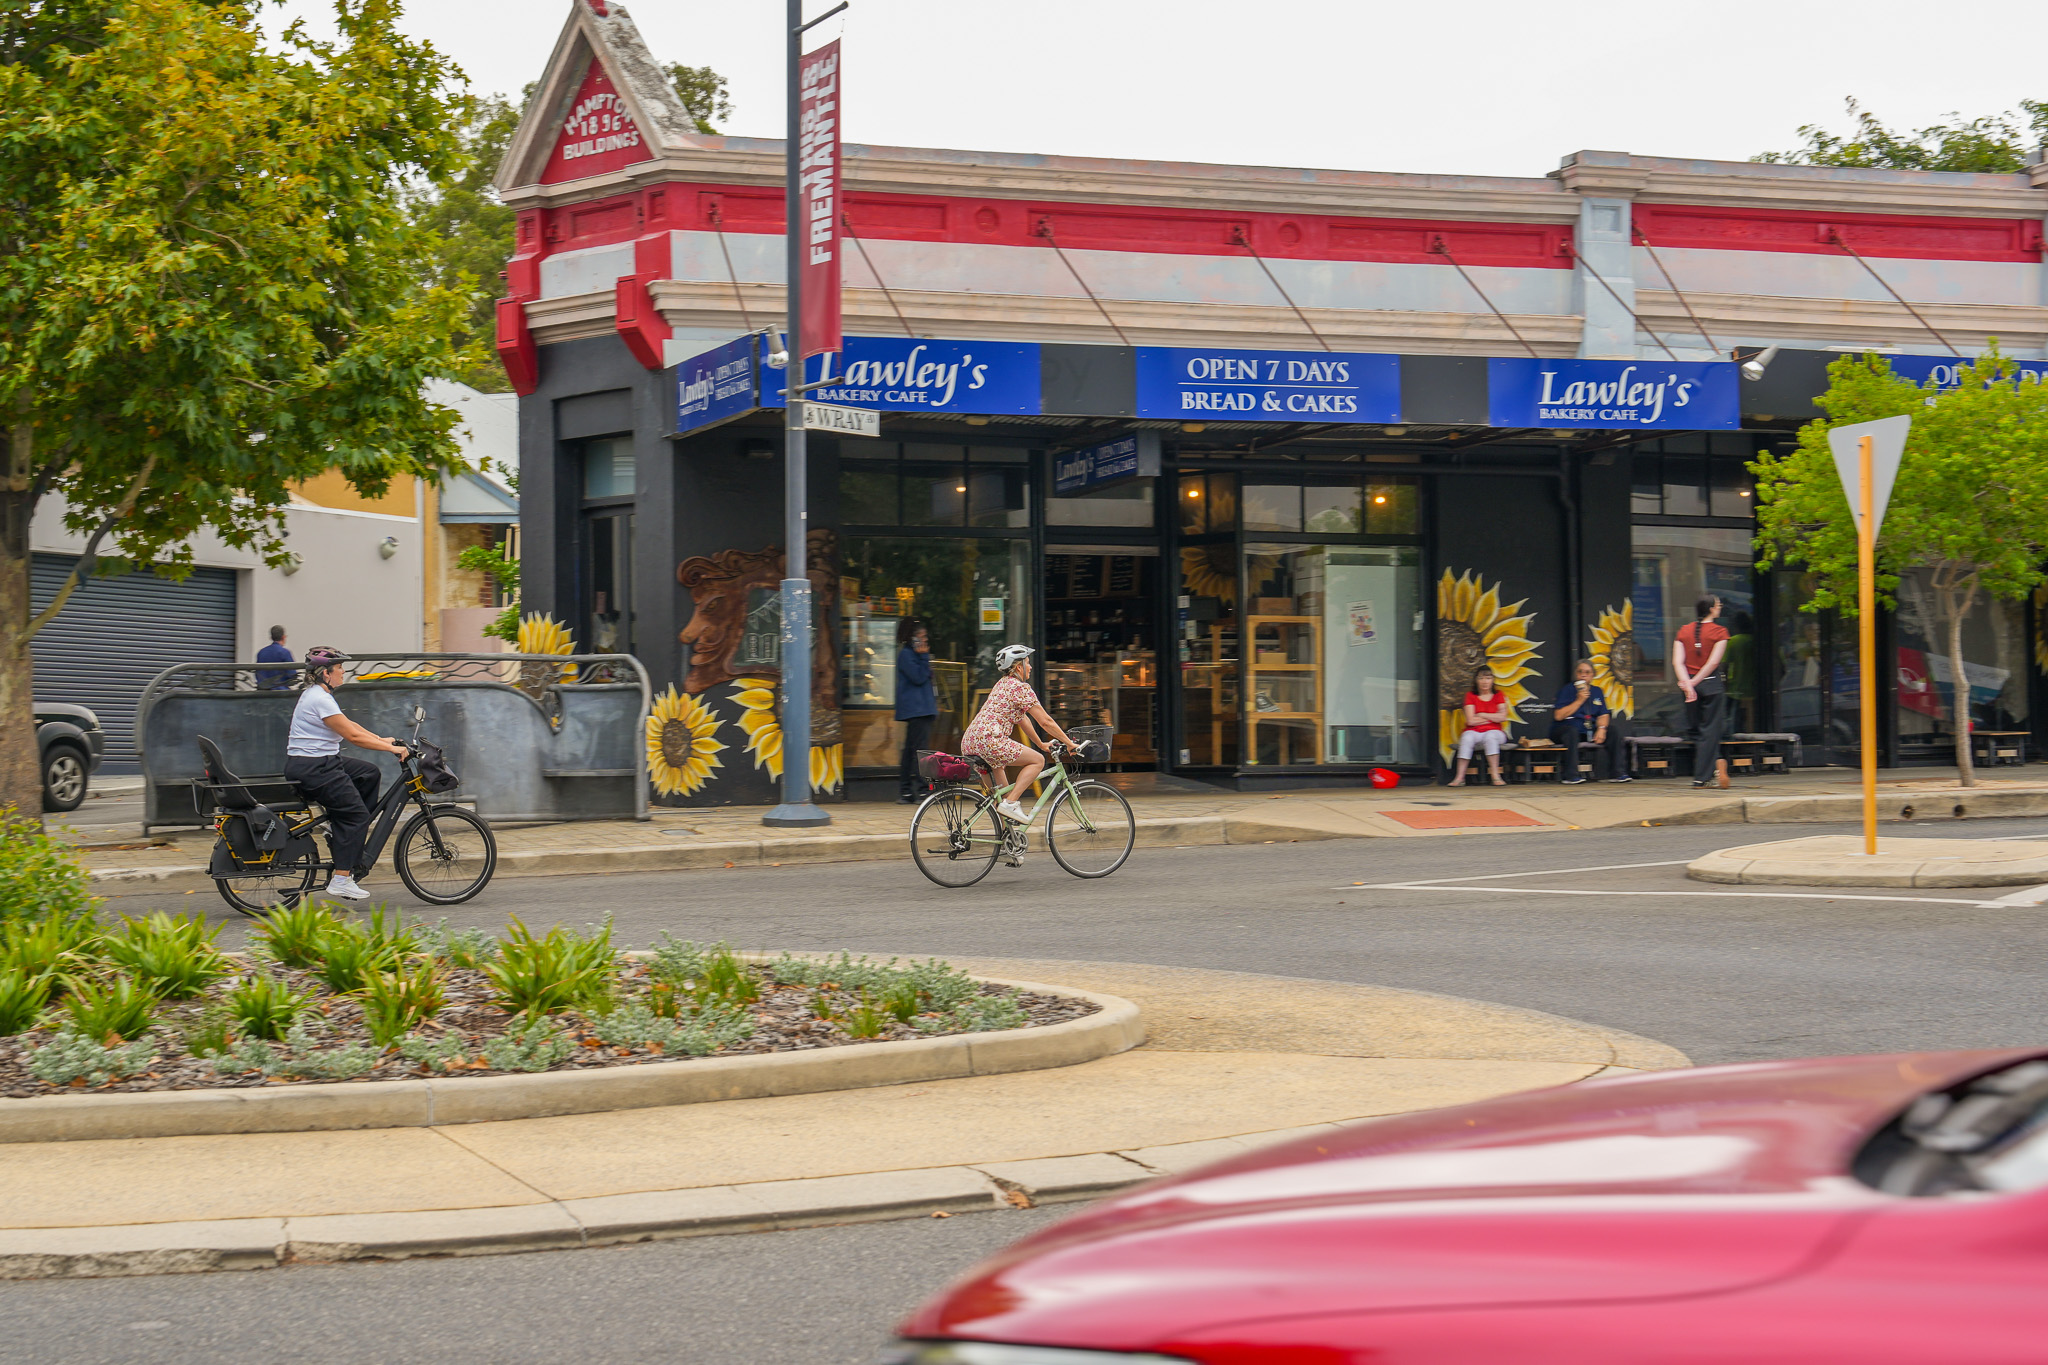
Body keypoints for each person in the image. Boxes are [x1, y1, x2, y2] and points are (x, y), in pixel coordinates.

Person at [283, 647, 410, 901]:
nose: (343, 671)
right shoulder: (319, 698)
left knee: (368, 773)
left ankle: (341, 828)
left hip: (319, 762)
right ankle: (341, 879)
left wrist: (381, 739)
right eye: (339, 668)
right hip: (315, 768)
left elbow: (350, 725)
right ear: (325, 674)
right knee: (357, 816)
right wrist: (391, 748)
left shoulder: (319, 695)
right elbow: (351, 737)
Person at [959, 644, 1078, 845]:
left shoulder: (1002, 685)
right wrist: (1069, 743)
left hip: (971, 741)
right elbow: (1045, 721)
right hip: (990, 740)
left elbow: (1023, 719)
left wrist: (1040, 743)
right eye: (1028, 663)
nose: (1030, 667)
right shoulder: (1021, 688)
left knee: (1000, 797)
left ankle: (1009, 843)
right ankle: (1012, 803)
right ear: (1018, 667)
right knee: (1037, 761)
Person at [1675, 595, 1732, 789]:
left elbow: (1677, 662)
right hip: (1711, 685)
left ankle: (1713, 768)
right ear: (1711, 609)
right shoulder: (1720, 632)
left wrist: (1688, 684)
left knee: (1697, 731)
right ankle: (1703, 777)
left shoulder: (1683, 630)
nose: (1720, 607)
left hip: (1690, 687)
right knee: (1710, 732)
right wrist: (1695, 681)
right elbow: (1713, 663)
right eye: (1718, 605)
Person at [1550, 658, 1633, 784]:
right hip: (1566, 728)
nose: (1583, 675)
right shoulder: (1567, 690)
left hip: (1589, 729)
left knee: (1613, 731)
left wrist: (1601, 729)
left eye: (1587, 672)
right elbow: (1558, 716)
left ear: (1592, 675)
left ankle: (1618, 773)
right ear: (1576, 674)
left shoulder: (1597, 691)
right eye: (1580, 672)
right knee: (1571, 732)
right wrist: (1579, 701)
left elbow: (1603, 714)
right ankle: (1571, 776)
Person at [895, 617, 937, 803]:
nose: (924, 641)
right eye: (921, 637)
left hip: (922, 709)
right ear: (912, 638)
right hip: (916, 710)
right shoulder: (906, 655)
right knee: (918, 751)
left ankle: (907, 791)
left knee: (911, 750)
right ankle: (920, 790)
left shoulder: (914, 655)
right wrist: (924, 656)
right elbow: (919, 677)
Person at [1448, 667, 1508, 787]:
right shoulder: (1470, 696)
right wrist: (1492, 717)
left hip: (1495, 731)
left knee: (1490, 736)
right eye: (1481, 678)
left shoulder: (1498, 695)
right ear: (1476, 680)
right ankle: (1460, 777)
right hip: (1474, 731)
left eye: (1488, 678)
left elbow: (1502, 717)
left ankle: (1495, 776)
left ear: (1492, 680)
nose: (1485, 681)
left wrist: (1482, 715)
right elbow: (1470, 721)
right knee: (1466, 738)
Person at [256, 625, 294, 691]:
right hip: (280, 692)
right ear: (283, 637)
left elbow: (257, 673)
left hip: (262, 692)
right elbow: (292, 674)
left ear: (271, 637)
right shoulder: (285, 652)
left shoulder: (261, 652)